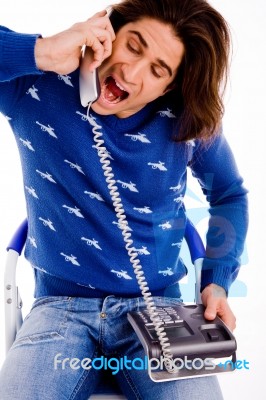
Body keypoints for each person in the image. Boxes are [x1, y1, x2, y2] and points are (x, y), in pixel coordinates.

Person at [0, 0, 248, 399]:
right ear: (108, 32)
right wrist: (44, 50)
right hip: (58, 309)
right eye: (134, 45)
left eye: (157, 69)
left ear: (169, 86)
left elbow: (230, 195)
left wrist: (217, 282)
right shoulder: (35, 86)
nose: (131, 73)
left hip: (159, 312)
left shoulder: (185, 120)